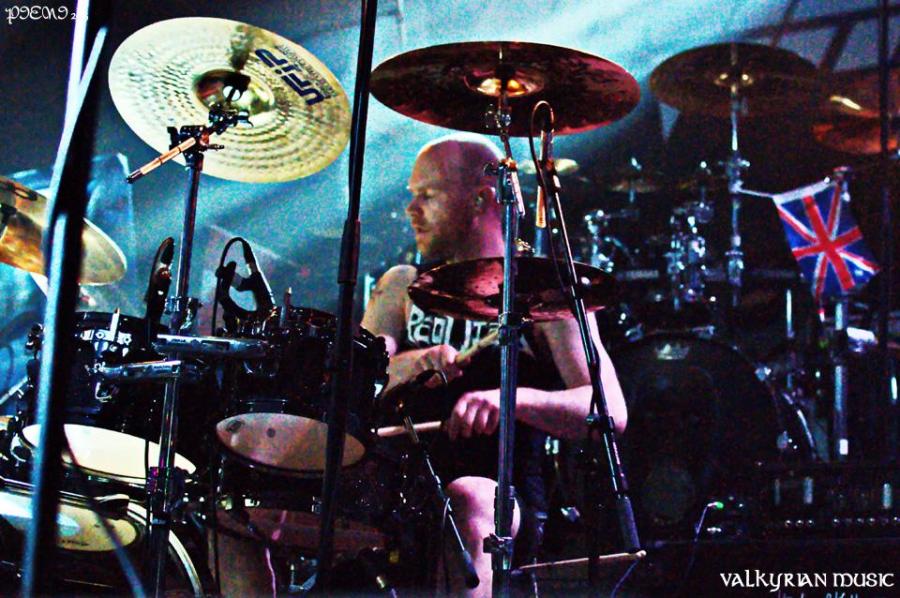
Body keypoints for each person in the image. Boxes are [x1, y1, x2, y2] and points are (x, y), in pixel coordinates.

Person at [361, 132, 627, 596]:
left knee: (468, 497)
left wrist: (510, 401)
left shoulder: (541, 291)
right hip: (391, 483)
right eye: (412, 196)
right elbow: (354, 383)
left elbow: (608, 411)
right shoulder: (401, 285)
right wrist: (410, 365)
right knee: (247, 509)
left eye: (428, 195)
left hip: (499, 493)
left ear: (481, 199)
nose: (411, 210)